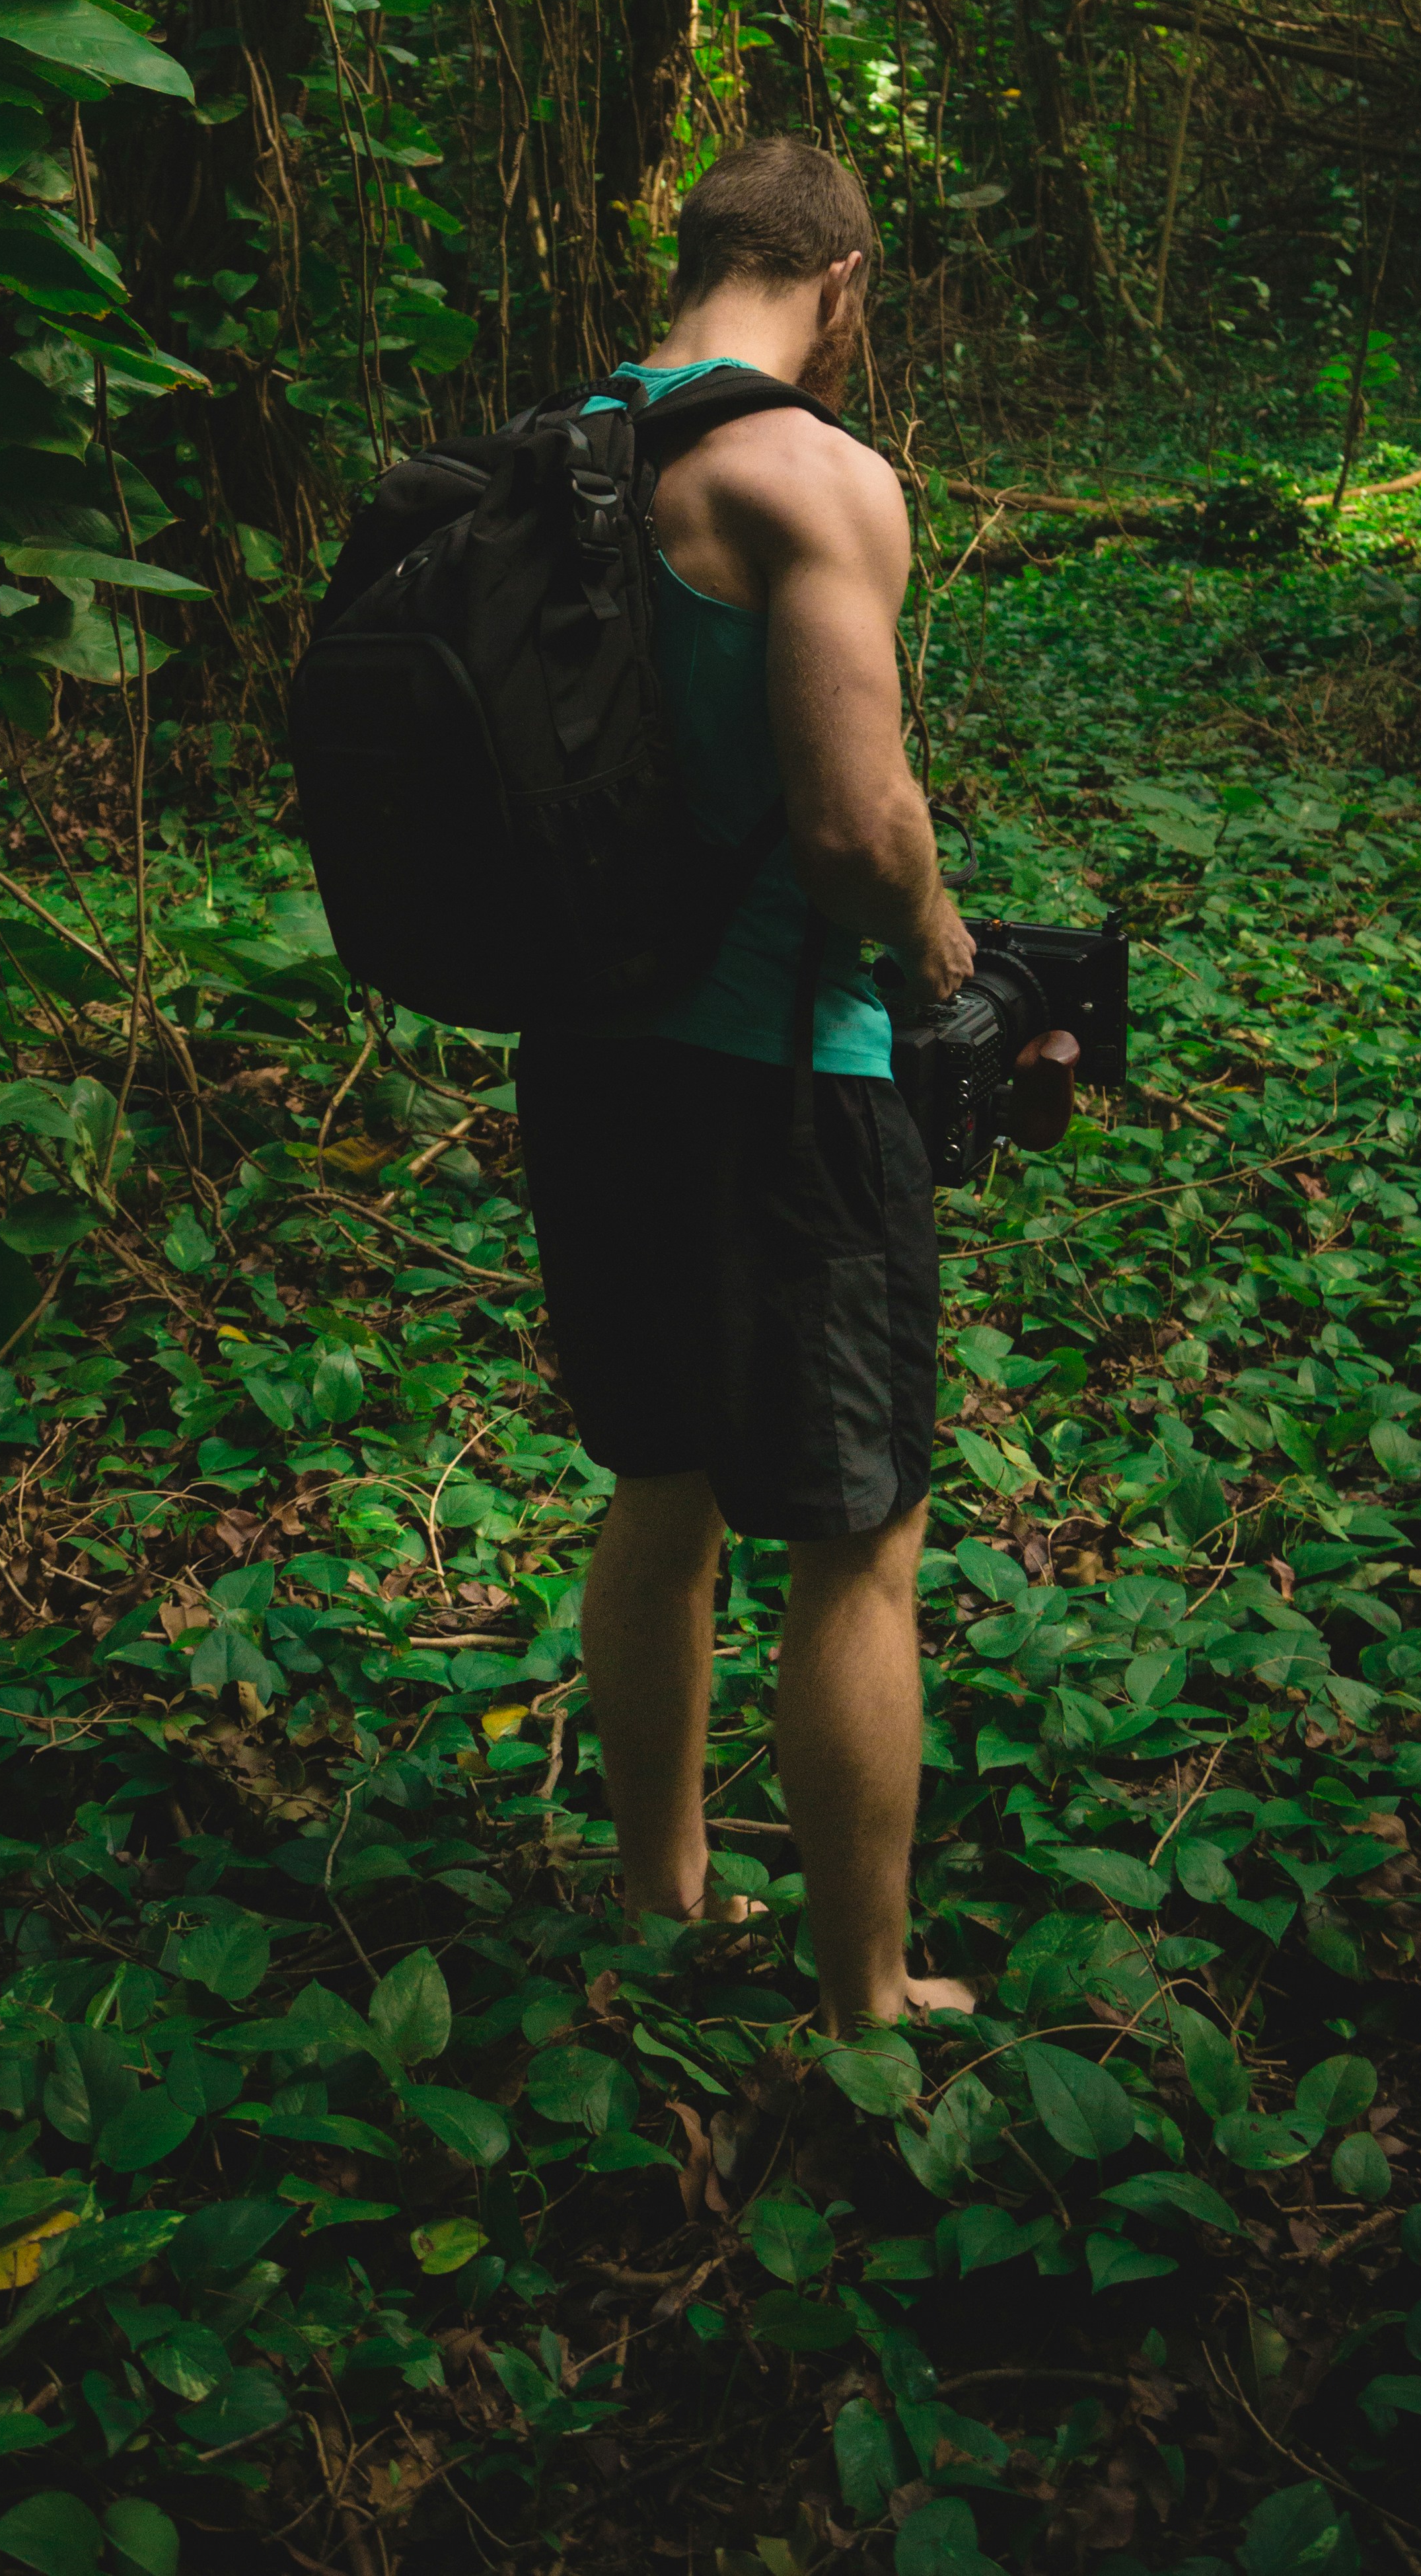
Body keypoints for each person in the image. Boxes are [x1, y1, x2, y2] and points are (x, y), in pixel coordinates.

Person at [515, 133, 979, 2031]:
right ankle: (867, 1995)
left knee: (662, 1486)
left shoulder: (560, 461)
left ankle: (657, 1891)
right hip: (787, 1080)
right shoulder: (814, 473)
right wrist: (950, 959)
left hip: (588, 1062)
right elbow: (858, 829)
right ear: (845, 288)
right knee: (859, 1543)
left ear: (687, 250)